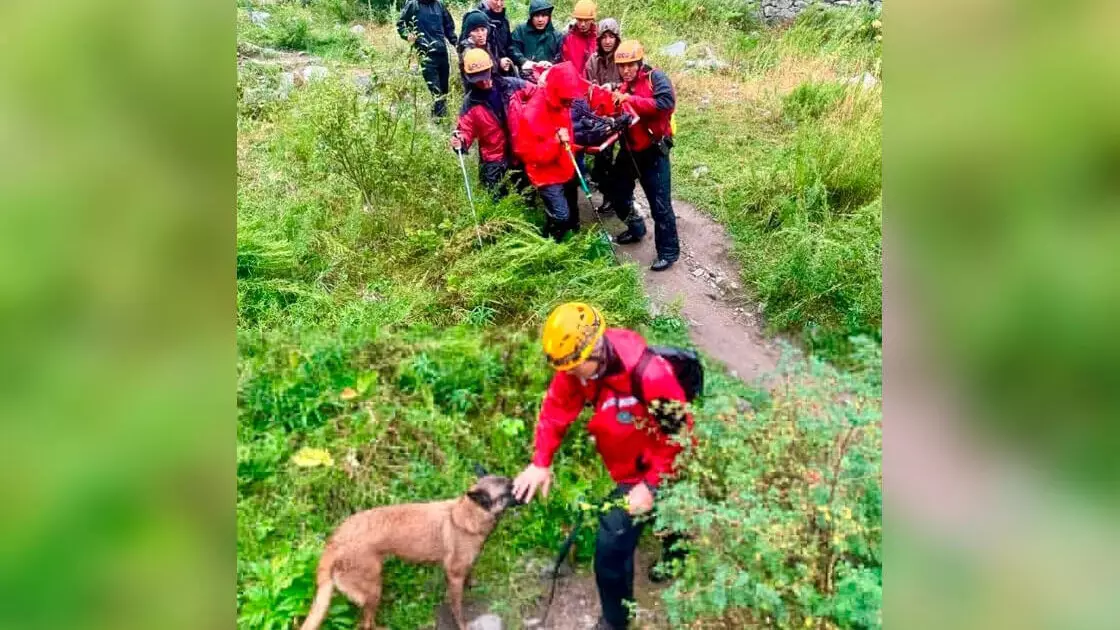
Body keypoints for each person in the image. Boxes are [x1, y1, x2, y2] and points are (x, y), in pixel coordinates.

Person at [512, 302, 693, 630]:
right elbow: (556, 409)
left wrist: (651, 484)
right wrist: (541, 462)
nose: (566, 374)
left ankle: (616, 620)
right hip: (628, 463)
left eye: (573, 367)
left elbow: (679, 434)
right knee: (663, 512)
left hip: (657, 463)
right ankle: (672, 551)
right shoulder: (579, 369)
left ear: (596, 351)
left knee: (611, 548)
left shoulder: (649, 375)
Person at [608, 40, 681, 272]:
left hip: (653, 151)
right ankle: (636, 227)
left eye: (630, 65)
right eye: (622, 66)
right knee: (617, 193)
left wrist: (631, 100)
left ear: (639, 63)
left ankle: (668, 252)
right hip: (630, 151)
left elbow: (665, 104)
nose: (626, 70)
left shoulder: (655, 79)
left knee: (660, 205)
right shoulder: (623, 86)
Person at [511, 62, 583, 241]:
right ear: (556, 91)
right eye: (568, 99)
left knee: (572, 217)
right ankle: (548, 245)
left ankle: (569, 243)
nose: (571, 102)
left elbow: (568, 133)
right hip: (546, 174)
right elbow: (528, 155)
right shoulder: (532, 114)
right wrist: (555, 141)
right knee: (560, 216)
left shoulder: (561, 102)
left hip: (565, 166)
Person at [451, 49, 533, 199]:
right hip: (493, 156)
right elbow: (465, 130)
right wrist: (460, 141)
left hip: (520, 149)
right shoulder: (470, 103)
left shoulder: (512, 85)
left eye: (484, 74)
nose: (483, 81)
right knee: (495, 198)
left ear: (491, 68)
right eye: (477, 78)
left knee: (527, 196)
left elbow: (538, 94)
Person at [397, 0, 457, 120]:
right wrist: (407, 34)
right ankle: (441, 121)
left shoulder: (439, 5)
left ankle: (436, 117)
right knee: (436, 90)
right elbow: (401, 24)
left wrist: (456, 43)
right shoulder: (413, 5)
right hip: (425, 53)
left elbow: (449, 27)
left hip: (442, 52)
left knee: (444, 89)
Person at [583, 17, 622, 200]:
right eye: (604, 37)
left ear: (617, 39)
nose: (607, 41)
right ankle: (608, 196)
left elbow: (629, 82)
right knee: (603, 157)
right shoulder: (593, 60)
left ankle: (620, 195)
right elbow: (586, 84)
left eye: (611, 37)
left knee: (624, 158)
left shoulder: (623, 59)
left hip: (622, 112)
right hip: (601, 114)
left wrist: (612, 86)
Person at [510, 0, 563, 81]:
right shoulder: (520, 30)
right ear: (531, 17)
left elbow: (562, 55)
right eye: (536, 16)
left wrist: (551, 64)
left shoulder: (557, 36)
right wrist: (523, 61)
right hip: (525, 78)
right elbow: (512, 48)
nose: (540, 20)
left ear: (549, 17)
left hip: (549, 78)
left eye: (544, 15)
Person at [456, 10, 504, 86]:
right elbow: (479, 78)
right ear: (469, 33)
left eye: (483, 29)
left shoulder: (489, 43)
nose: (480, 34)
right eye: (475, 30)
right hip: (478, 88)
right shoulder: (468, 51)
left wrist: (500, 62)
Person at [464, 0, 513, 70]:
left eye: (502, 0)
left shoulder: (504, 18)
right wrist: (498, 62)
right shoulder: (474, 17)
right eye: (495, 0)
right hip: (482, 72)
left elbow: (509, 45)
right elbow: (467, 52)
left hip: (503, 68)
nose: (499, 4)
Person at [560, 0, 598, 74]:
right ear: (576, 19)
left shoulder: (599, 38)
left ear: (592, 20)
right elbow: (564, 63)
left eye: (586, 20)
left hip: (594, 81)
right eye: (580, 20)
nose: (583, 24)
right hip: (573, 81)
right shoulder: (568, 39)